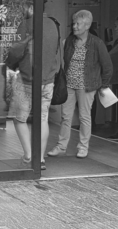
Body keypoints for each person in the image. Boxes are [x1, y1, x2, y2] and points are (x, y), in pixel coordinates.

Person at [47, 9, 112, 159]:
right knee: (66, 116)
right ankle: (61, 146)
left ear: (87, 25)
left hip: (87, 86)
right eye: (73, 23)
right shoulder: (69, 41)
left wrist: (104, 85)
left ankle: (83, 147)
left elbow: (107, 66)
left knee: (84, 116)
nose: (74, 26)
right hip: (69, 85)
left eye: (78, 24)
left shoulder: (96, 43)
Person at [4, 5, 60, 170]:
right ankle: (40, 159)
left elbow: (16, 51)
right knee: (43, 118)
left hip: (27, 79)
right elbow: (57, 52)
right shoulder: (53, 24)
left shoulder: (27, 24)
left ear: (30, 7)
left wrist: (9, 64)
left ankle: (29, 155)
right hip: (48, 80)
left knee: (19, 118)